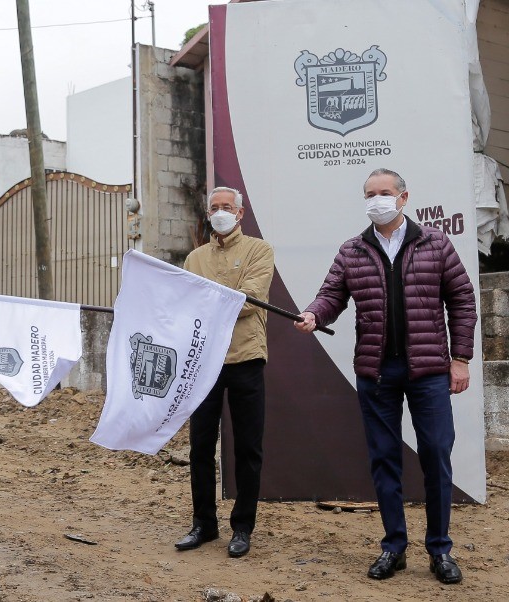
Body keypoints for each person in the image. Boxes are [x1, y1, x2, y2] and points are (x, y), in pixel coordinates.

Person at [295, 168, 476, 584]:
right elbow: (331, 295)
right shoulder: (353, 249)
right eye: (370, 194)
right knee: (384, 459)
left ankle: (440, 549)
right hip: (377, 372)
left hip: (429, 372)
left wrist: (461, 358)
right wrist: (313, 313)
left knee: (435, 454)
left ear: (403, 197)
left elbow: (463, 301)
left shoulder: (436, 243)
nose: (377, 200)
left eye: (385, 193)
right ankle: (393, 546)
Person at [176, 186, 275, 558]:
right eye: (214, 207)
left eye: (226, 207)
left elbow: (249, 301)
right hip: (204, 363)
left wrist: (208, 297)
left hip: (245, 358)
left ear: (240, 213)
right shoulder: (194, 257)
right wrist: (219, 296)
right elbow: (186, 304)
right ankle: (203, 523)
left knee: (248, 448)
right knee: (200, 446)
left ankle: (242, 527)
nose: (220, 212)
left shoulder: (259, 251)